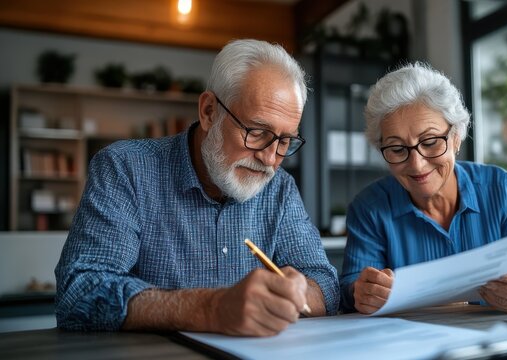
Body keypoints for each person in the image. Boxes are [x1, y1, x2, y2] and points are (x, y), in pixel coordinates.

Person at [55, 39, 339, 336]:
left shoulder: (280, 189)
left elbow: (327, 285)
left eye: (284, 141)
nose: (270, 159)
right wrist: (211, 308)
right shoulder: (126, 169)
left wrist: (297, 294)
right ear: (208, 112)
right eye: (257, 133)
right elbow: (79, 293)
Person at [339, 62, 507, 315]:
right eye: (398, 149)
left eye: (431, 142)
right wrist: (365, 291)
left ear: (456, 137)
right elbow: (351, 288)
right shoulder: (370, 207)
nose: (417, 164)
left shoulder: (498, 187)